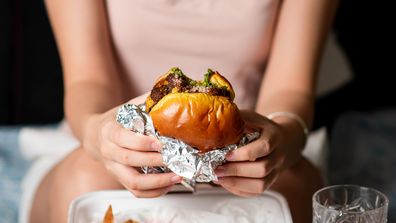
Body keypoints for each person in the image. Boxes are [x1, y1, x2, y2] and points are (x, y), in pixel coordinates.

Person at [29, 0, 338, 222]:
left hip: (244, 159)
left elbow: (292, 88)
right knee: (84, 183)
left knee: (296, 192)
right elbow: (87, 79)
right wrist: (98, 133)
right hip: (113, 152)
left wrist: (282, 135)